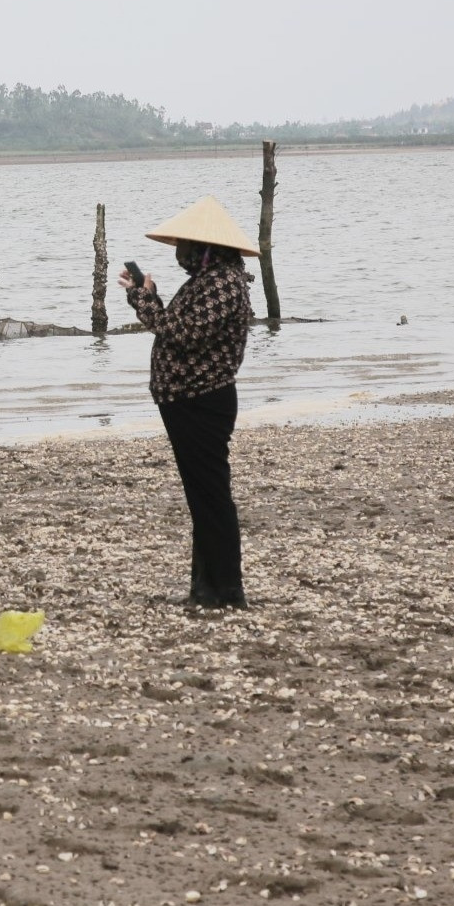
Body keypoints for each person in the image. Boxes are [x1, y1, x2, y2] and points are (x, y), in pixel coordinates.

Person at [120, 195, 257, 610]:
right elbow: (179, 328)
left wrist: (144, 300)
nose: (180, 253)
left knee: (210, 494)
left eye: (185, 245)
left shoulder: (223, 284)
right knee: (203, 495)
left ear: (205, 248)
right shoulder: (212, 280)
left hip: (202, 401)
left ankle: (226, 588)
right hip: (189, 400)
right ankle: (207, 586)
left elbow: (180, 332)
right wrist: (150, 298)